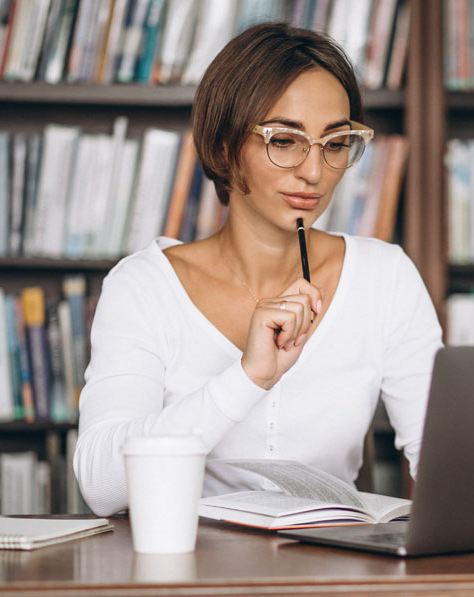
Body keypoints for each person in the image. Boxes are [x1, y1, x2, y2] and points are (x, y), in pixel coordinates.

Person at [73, 22, 443, 517]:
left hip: (333, 574)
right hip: (185, 572)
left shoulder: (385, 276)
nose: (314, 171)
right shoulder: (144, 286)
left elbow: (444, 461)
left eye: (334, 144)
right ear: (225, 148)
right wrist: (246, 378)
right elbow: (102, 487)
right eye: (285, 140)